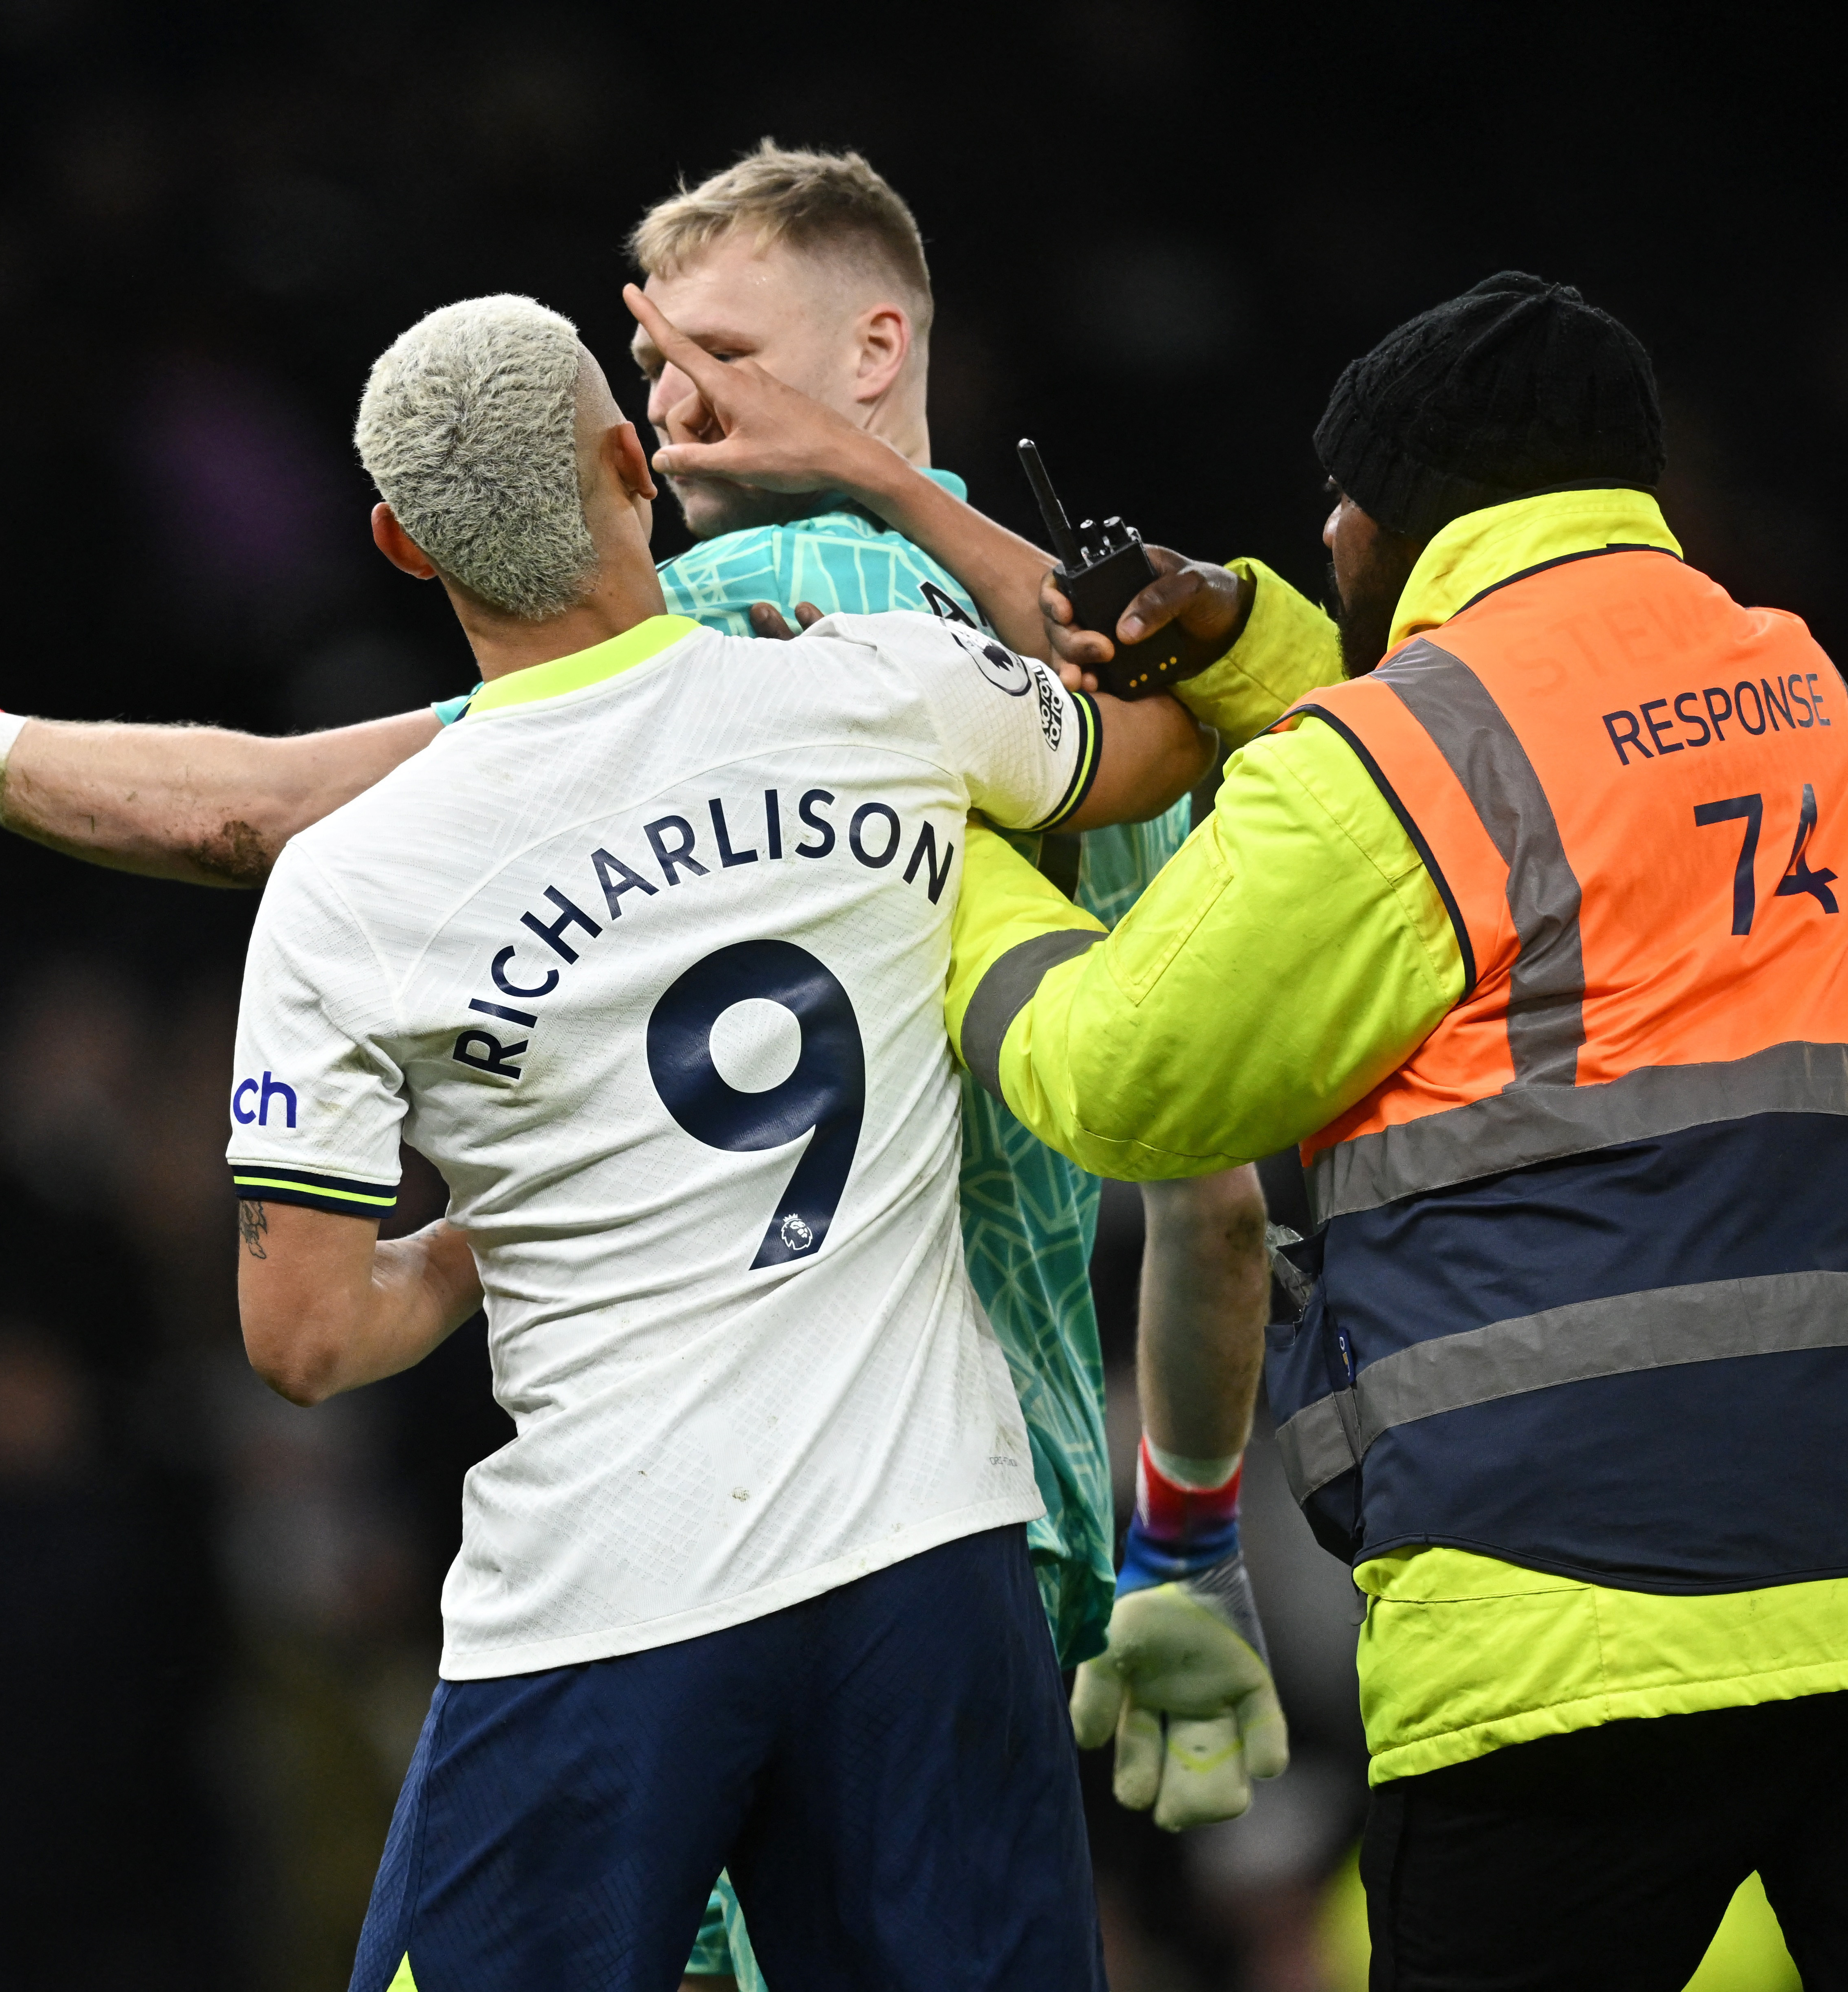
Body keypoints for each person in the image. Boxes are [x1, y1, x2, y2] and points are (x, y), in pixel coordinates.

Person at [0, 142, 1290, 1988]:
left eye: (714, 348)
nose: (679, 397)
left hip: (664, 1575)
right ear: (621, 465)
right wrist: (1185, 1542)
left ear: (878, 343)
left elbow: (258, 815)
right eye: (649, 370)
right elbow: (1204, 1169)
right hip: (986, 1531)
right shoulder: (966, 677)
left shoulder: (775, 620)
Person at [655, 268, 1848, 1988]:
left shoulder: (1396, 767)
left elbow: (1125, 1073)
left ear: (1396, 515)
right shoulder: (1790, 685)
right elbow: (1532, 741)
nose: (1322, 534)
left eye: (1340, 504)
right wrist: (1253, 644)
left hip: (1583, 1620)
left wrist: (933, 849)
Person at [234, 292, 1201, 1989]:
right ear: (632, 456)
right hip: (927, 1558)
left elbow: (306, 1337)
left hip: (606, 1599)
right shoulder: (884, 692)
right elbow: (1153, 747)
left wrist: (496, 1227)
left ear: (399, 543)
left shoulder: (349, 886)